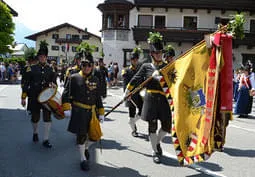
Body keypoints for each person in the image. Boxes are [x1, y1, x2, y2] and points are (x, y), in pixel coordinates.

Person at [124, 32, 172, 164]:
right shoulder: (146, 67)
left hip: (164, 100)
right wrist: (127, 91)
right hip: (150, 98)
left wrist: (162, 78)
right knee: (152, 126)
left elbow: (175, 82)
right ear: (151, 54)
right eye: (156, 52)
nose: (158, 54)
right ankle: (154, 151)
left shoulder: (167, 67)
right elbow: (135, 79)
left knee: (167, 127)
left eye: (160, 52)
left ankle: (156, 143)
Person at [62, 53, 105, 171]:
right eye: (84, 65)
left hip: (91, 112)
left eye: (89, 65)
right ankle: (82, 159)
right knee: (81, 136)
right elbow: (66, 94)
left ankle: (85, 148)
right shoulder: (74, 77)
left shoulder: (95, 79)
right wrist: (66, 108)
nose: (87, 67)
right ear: (81, 65)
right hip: (78, 111)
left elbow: (97, 97)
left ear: (92, 66)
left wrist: (101, 112)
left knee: (94, 136)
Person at [21, 41, 56, 148]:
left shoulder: (51, 69)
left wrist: (53, 85)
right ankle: (35, 132)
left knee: (47, 118)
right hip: (34, 96)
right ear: (38, 57)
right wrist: (23, 97)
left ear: (46, 57)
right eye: (40, 56)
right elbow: (25, 84)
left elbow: (54, 82)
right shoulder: (31, 68)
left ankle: (46, 139)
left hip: (46, 98)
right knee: (35, 118)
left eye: (44, 56)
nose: (42, 58)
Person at [122, 48, 143, 137]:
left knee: (142, 111)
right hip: (130, 95)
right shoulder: (126, 70)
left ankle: (132, 122)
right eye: (133, 59)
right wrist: (126, 94)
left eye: (136, 59)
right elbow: (125, 84)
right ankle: (134, 130)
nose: (135, 61)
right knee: (132, 113)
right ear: (130, 60)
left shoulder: (141, 70)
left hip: (139, 95)